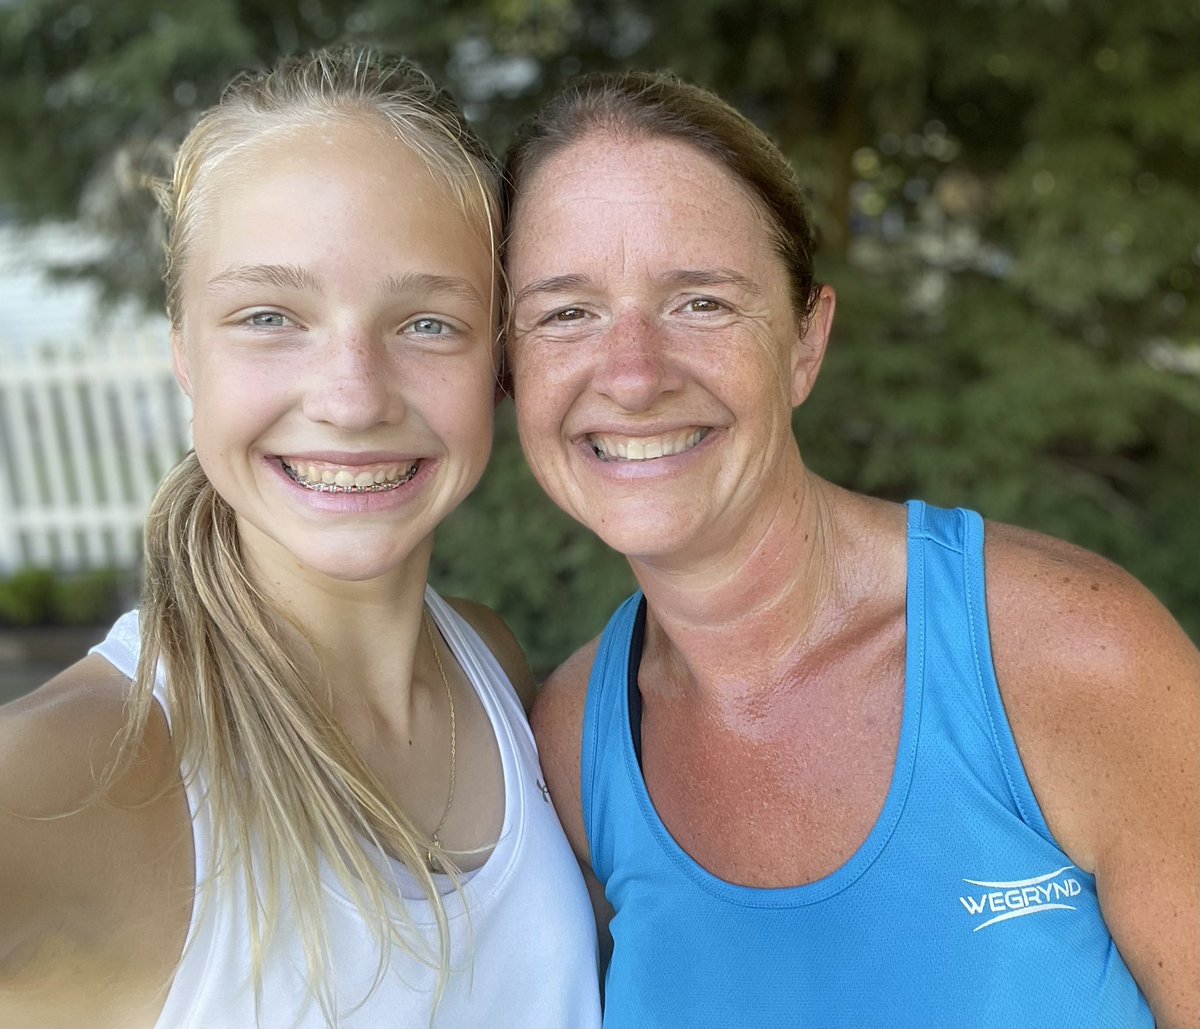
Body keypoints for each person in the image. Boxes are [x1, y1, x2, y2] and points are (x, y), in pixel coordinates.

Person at [501, 69, 1199, 1028]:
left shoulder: (1069, 655)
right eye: (566, 311)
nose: (631, 374)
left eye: (700, 301)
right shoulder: (575, 738)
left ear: (805, 342)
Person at [0, 47, 600, 1028]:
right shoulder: (83, 768)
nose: (353, 397)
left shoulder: (490, 665)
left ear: (498, 362)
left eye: (427, 323)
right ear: (184, 351)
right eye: (271, 316)